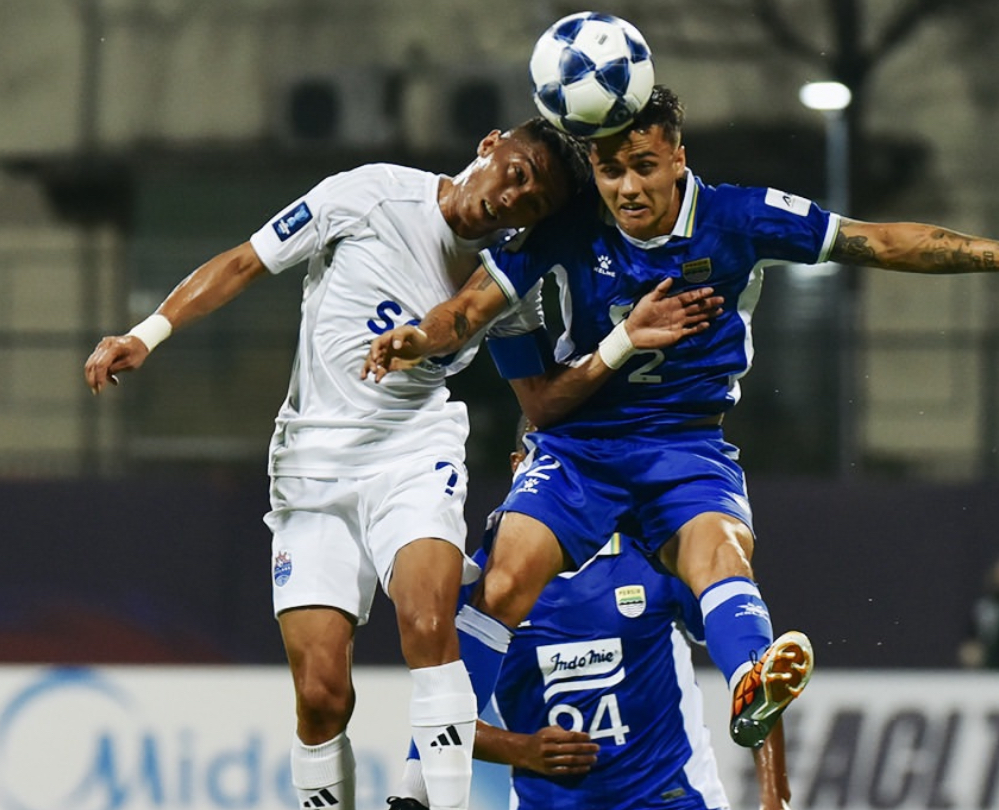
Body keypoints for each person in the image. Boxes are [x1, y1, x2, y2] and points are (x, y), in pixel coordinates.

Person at [363, 85, 999, 754]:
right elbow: (469, 310)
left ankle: (752, 682)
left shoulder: (739, 218)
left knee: (719, 552)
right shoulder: (565, 228)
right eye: (610, 170)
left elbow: (878, 240)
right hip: (578, 447)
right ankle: (436, 746)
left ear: (677, 157)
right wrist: (421, 337)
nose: (627, 187)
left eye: (644, 166)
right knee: (504, 581)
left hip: (685, 444)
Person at [83, 117, 721, 810]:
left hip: (414, 453)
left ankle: (431, 803)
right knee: (322, 696)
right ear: (489, 144)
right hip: (310, 468)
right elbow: (243, 262)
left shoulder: (501, 280)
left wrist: (623, 341)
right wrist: (148, 333)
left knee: (427, 623)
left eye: (533, 204)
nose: (512, 200)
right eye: (515, 175)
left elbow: (540, 402)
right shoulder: (370, 196)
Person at [390, 424, 794, 810]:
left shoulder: (653, 553)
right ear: (520, 466)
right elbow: (439, 715)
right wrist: (522, 749)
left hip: (674, 799)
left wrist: (776, 798)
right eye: (551, 456)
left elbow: (758, 682)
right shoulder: (484, 586)